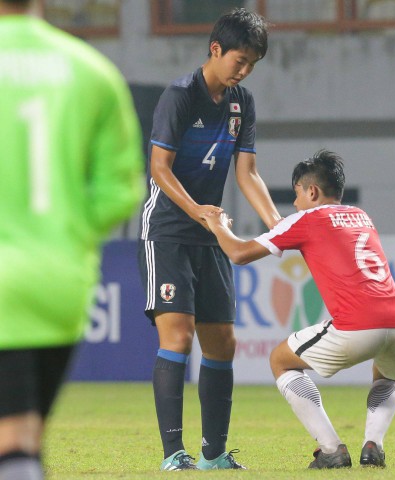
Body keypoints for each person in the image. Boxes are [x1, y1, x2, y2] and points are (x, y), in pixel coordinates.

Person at [203, 150, 395, 469]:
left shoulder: (306, 219)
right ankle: (373, 445)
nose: (295, 204)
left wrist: (217, 225)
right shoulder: (361, 216)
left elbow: (238, 253)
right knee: (387, 376)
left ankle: (331, 449)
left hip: (358, 326)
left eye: (296, 195)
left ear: (312, 191)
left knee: (281, 360)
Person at [0, 0, 145, 479]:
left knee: (12, 443)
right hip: (58, 284)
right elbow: (122, 190)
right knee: (24, 440)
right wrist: (65, 236)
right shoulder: (92, 72)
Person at [137, 7, 281, 471]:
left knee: (222, 342)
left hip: (210, 232)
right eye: (240, 60)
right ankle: (173, 454)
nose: (244, 71)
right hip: (168, 231)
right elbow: (159, 168)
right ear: (215, 49)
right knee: (177, 337)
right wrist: (198, 209)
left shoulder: (242, 103)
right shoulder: (180, 95)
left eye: (252, 64)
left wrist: (280, 224)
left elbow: (248, 172)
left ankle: (213, 454)